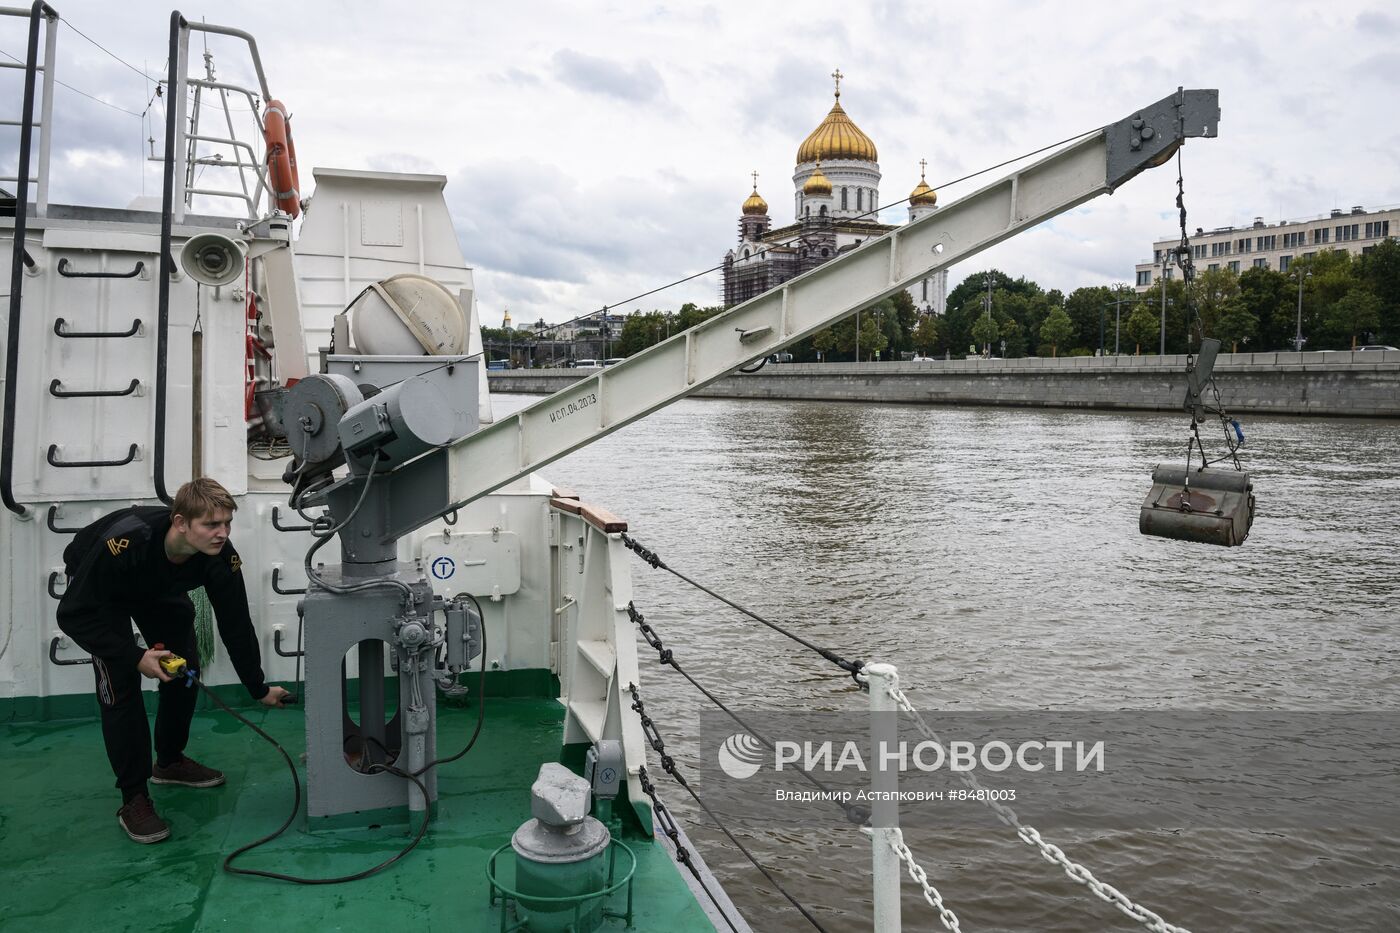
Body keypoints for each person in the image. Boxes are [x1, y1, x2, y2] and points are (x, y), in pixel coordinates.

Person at [57, 478, 290, 844]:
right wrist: (135, 657)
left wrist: (257, 688)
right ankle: (133, 799)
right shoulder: (124, 543)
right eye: (211, 525)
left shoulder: (219, 555)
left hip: (157, 587)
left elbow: (235, 621)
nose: (222, 533)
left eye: (227, 523)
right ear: (181, 522)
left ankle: (169, 760)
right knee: (120, 689)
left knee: (184, 671)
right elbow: (73, 615)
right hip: (103, 591)